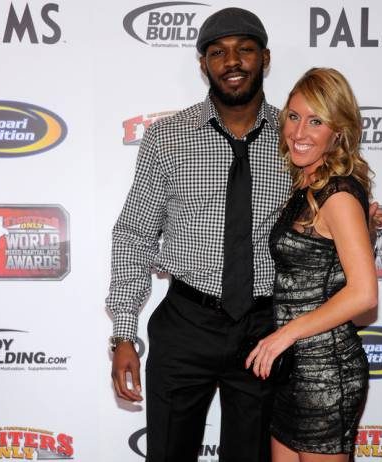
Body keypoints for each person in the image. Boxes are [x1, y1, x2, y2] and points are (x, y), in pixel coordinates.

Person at [106, 7, 291, 462]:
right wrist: (124, 333)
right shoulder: (167, 137)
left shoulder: (295, 139)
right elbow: (134, 234)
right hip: (186, 323)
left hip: (264, 329)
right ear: (203, 64)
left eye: (245, 50)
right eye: (218, 52)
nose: (232, 61)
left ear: (265, 58)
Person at [245, 68, 378, 462]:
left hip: (326, 372)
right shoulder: (308, 183)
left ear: (338, 131)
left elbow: (364, 294)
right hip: (295, 370)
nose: (299, 132)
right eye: (293, 116)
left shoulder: (337, 195)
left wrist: (284, 335)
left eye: (316, 121)